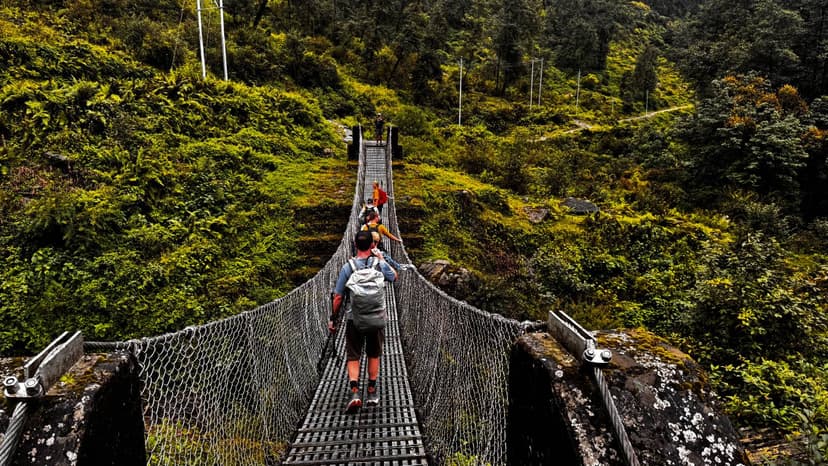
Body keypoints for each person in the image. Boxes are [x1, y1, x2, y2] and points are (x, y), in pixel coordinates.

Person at [330, 230, 397, 413]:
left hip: (354, 318)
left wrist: (333, 319)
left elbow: (337, 297)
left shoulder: (348, 267)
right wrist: (381, 259)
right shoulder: (378, 264)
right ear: (372, 244)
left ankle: (354, 393)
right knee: (373, 353)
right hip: (376, 317)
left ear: (354, 244)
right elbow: (394, 277)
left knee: (353, 355)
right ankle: (372, 392)